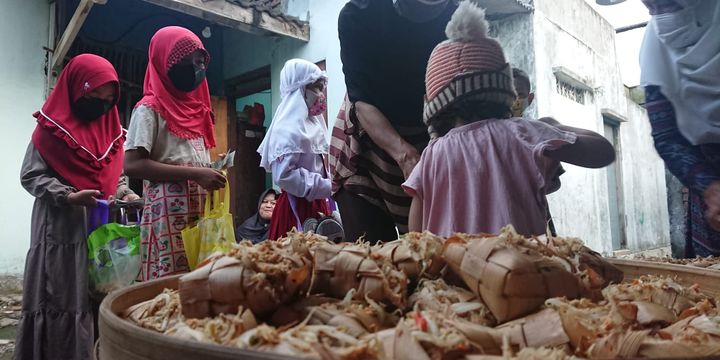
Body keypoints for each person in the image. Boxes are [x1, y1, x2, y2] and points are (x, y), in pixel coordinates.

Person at [403, 1, 615, 237]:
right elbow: (603, 151)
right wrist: (555, 126)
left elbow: (416, 228)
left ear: (435, 105)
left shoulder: (432, 153)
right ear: (504, 91)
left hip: (449, 272)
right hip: (518, 271)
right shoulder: (523, 133)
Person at [15, 54, 137, 360]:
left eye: (109, 98)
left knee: (97, 295)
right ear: (75, 88)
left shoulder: (112, 132)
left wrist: (125, 193)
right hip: (60, 228)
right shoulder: (50, 130)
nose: (102, 104)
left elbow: (115, 174)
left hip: (99, 229)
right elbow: (30, 175)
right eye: (94, 94)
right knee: (59, 295)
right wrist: (68, 195)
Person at [329, 0, 459, 243]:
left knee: (432, 254)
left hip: (433, 135)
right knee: (374, 260)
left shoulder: (460, 15)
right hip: (367, 141)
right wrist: (405, 155)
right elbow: (362, 102)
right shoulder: (359, 13)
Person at [124, 26, 225, 281]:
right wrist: (194, 173)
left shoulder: (199, 109)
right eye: (184, 60)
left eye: (199, 61)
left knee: (202, 278)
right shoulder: (149, 109)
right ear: (163, 61)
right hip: (168, 211)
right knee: (170, 283)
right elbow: (132, 165)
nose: (194, 67)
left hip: (200, 208)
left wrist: (211, 168)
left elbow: (189, 155)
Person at [639, 0, 720, 256]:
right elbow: (666, 136)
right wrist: (710, 188)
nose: (661, 15)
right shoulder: (656, 46)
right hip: (709, 181)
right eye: (650, 6)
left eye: (667, 2)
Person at [257, 59, 334, 240]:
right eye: (316, 88)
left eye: (322, 88)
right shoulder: (288, 127)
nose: (321, 94)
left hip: (317, 202)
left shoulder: (312, 122)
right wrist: (327, 186)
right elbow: (284, 176)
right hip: (296, 208)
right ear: (300, 88)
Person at [512, 67, 563, 236]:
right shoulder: (490, 133)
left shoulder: (537, 132)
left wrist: (532, 189)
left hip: (537, 212)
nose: (515, 100)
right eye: (510, 94)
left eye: (519, 94)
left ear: (530, 98)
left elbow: (556, 182)